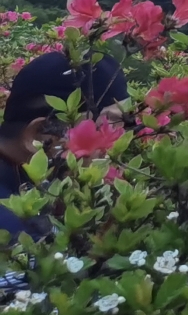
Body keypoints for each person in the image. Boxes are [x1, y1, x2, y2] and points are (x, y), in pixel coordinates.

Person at [0, 52, 129, 242]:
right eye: (111, 124)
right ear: (42, 135)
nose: (122, 139)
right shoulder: (16, 237)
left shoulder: (24, 178)